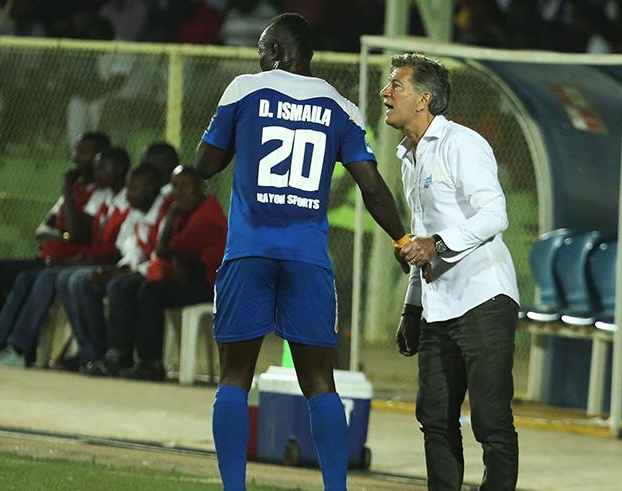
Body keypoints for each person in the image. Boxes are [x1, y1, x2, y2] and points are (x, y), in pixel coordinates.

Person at [195, 13, 408, 490]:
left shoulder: (245, 88)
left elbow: (205, 164)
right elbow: (371, 187)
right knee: (320, 382)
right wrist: (400, 238)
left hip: (249, 249)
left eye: (260, 50)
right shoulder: (341, 107)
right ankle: (335, 488)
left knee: (234, 376)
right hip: (308, 257)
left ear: (274, 50)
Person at [382, 52, 520, 491]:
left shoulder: (463, 143)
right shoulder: (409, 154)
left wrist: (438, 244)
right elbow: (421, 238)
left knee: (491, 421)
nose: (385, 93)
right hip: (438, 307)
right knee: (435, 419)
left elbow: (495, 215)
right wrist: (411, 309)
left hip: (484, 299)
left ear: (424, 99)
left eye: (396, 86)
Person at [0, 144, 128, 367]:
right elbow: (46, 232)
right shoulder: (104, 197)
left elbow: (83, 238)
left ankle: (19, 349)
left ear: (119, 169)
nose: (96, 169)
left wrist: (67, 255)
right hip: (75, 258)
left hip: (94, 261)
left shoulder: (118, 197)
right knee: (21, 277)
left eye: (101, 166)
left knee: (41, 277)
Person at [0, 132, 109, 320]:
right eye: (75, 151)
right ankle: (10, 331)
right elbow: (42, 232)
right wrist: (65, 236)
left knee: (13, 276)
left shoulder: (100, 194)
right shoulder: (74, 189)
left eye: (82, 152)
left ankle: (16, 340)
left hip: (68, 261)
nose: (75, 157)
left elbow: (78, 235)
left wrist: (67, 195)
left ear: (99, 157)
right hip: (46, 257)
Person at [113, 165, 227, 381]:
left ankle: (152, 363)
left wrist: (173, 218)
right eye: (174, 186)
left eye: (185, 186)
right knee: (128, 287)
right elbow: (168, 251)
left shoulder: (206, 216)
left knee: (150, 292)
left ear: (200, 188)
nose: (178, 192)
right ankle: (121, 355)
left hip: (211, 285)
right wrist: (175, 256)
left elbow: (166, 248)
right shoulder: (186, 212)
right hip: (190, 277)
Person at [56, 164, 171, 374]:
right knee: (85, 281)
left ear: (150, 187)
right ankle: (95, 351)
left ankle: (120, 354)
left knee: (121, 285)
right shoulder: (138, 213)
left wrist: (120, 273)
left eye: (134, 188)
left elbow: (161, 258)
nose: (128, 194)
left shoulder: (165, 213)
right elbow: (133, 254)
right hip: (144, 270)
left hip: (166, 273)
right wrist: (115, 270)